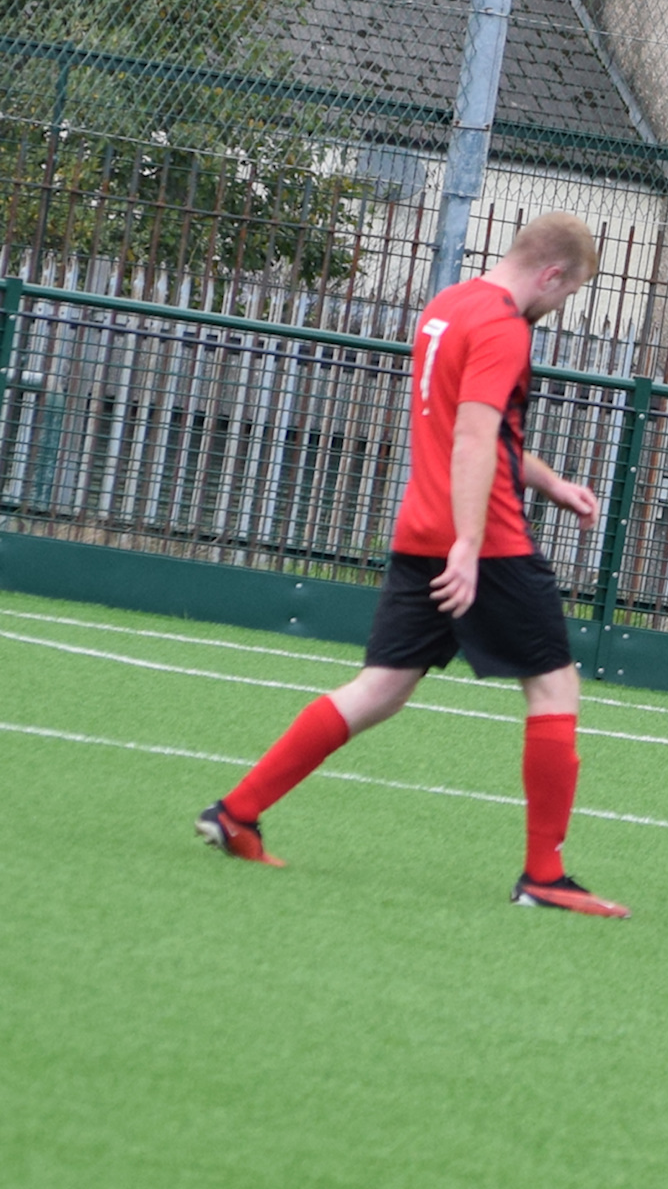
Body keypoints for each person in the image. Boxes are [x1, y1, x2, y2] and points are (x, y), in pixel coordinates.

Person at [195, 214, 629, 918]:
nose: (560, 307)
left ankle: (237, 812)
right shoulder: (503, 327)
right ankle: (544, 875)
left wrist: (550, 483)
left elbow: (473, 426)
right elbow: (473, 435)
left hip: (420, 528)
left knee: (380, 689)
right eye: (570, 293)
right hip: (483, 542)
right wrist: (467, 542)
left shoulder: (447, 306)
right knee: (554, 687)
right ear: (551, 274)